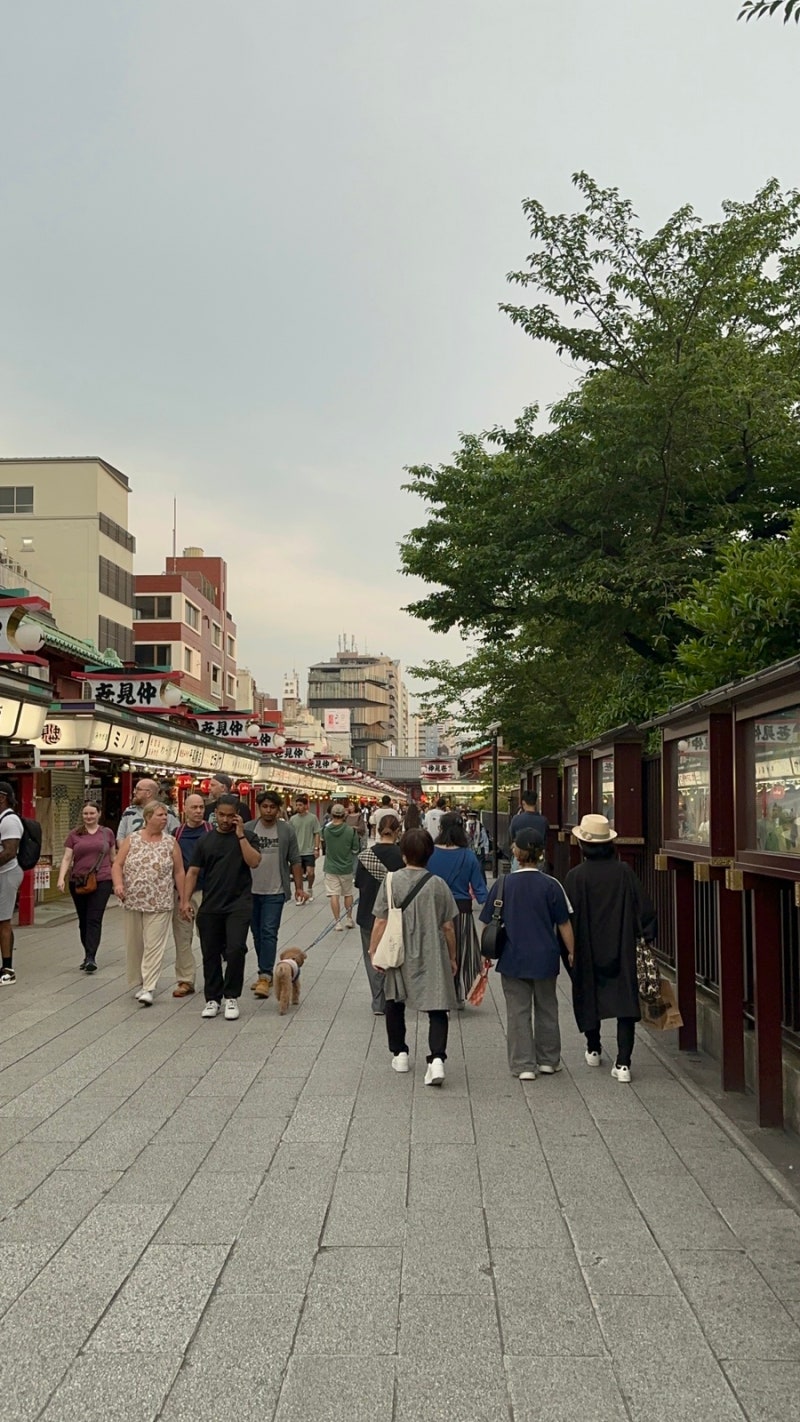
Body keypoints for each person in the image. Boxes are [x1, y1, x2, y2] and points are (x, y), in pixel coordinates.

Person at [564, 813, 657, 1084]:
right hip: (622, 944)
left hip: (587, 947)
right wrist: (646, 938)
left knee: (588, 994)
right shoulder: (624, 873)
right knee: (625, 1001)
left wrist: (569, 950)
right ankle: (624, 1062)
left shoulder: (575, 877)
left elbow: (565, 918)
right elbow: (645, 909)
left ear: (583, 846)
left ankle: (593, 1048)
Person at [480, 830, 574, 1079]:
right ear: (540, 854)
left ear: (516, 853)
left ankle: (523, 1065)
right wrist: (573, 952)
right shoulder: (552, 885)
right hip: (545, 956)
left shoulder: (503, 884)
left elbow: (488, 922)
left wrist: (484, 953)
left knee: (518, 1011)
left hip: (513, 957)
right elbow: (564, 923)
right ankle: (548, 1060)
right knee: (547, 1008)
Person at [370, 828, 458, 1085]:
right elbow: (448, 926)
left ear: (403, 853)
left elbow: (380, 921)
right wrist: (452, 957)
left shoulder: (391, 881)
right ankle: (437, 1059)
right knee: (438, 1004)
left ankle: (400, 1054)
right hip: (431, 951)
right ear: (429, 854)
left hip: (399, 951)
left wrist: (374, 950)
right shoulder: (438, 884)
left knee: (394, 999)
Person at [182, 794, 261, 1020]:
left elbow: (254, 862)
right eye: (221, 815)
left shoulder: (249, 837)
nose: (225, 820)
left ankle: (231, 995)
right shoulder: (205, 840)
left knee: (236, 949)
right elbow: (193, 871)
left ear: (238, 815)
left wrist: (240, 836)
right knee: (210, 953)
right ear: (215, 814)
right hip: (210, 905)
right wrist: (185, 900)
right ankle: (213, 999)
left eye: (230, 816)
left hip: (239, 904)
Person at [112, 801, 188, 1007]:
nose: (164, 819)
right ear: (147, 817)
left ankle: (149, 987)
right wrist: (118, 884)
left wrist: (183, 898)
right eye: (160, 815)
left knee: (154, 945)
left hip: (160, 901)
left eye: (165, 815)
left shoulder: (171, 842)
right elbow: (117, 864)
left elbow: (179, 871)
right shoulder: (132, 839)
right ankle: (140, 980)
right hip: (133, 900)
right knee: (136, 944)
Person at [245, 790, 305, 999]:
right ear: (259, 807)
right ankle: (266, 972)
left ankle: (264, 975)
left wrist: (299, 887)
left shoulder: (286, 830)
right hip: (250, 890)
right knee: (257, 933)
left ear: (278, 808)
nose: (268, 811)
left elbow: (295, 859)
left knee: (269, 931)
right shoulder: (248, 828)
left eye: (272, 807)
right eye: (265, 807)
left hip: (275, 890)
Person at [428, 812, 488, 1006]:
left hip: (433, 909)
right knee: (460, 952)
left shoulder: (429, 853)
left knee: (435, 952)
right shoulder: (468, 856)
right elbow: (479, 889)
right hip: (461, 911)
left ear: (440, 829)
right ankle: (456, 991)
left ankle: (436, 992)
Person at [57, 803, 117, 972]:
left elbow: (113, 858)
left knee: (94, 918)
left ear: (99, 814)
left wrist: (119, 880)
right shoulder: (74, 834)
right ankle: (87, 953)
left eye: (92, 813)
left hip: (103, 880)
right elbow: (67, 858)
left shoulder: (107, 833)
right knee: (83, 919)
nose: (89, 816)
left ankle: (91, 957)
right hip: (78, 880)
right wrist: (61, 878)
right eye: (85, 814)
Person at [354, 814, 404, 1015]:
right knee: (395, 954)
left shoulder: (366, 855)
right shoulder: (403, 856)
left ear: (377, 829)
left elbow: (358, 883)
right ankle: (394, 996)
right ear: (398, 831)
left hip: (368, 912)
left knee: (372, 956)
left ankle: (378, 1002)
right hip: (395, 915)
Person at [170, 793, 211, 997]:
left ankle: (213, 978)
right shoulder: (176, 833)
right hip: (182, 892)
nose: (198, 811)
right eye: (193, 807)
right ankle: (186, 980)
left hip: (207, 892)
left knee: (209, 937)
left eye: (201, 807)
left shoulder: (212, 831)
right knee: (182, 937)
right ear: (184, 809)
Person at [322, 803, 361, 930]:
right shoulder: (351, 831)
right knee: (348, 894)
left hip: (330, 867)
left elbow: (325, 843)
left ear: (331, 815)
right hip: (346, 867)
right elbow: (355, 849)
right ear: (344, 815)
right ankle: (349, 919)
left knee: (334, 894)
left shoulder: (326, 830)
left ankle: (337, 922)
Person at [0, 782, 24, 985]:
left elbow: (9, 852)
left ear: (2, 797)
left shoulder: (10, 820)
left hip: (6, 874)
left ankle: (8, 969)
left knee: (3, 921)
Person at [117, 778, 179, 843]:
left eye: (138, 789)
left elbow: (176, 838)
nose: (134, 792)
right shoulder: (128, 812)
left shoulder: (167, 812)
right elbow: (120, 837)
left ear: (148, 793)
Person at [289, 794, 322, 898]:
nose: (298, 807)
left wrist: (316, 848)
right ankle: (300, 892)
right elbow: (290, 835)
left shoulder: (312, 818)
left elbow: (316, 833)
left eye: (300, 805)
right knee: (298, 874)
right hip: (296, 851)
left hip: (309, 850)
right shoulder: (293, 819)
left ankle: (310, 888)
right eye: (297, 805)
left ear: (306, 806)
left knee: (310, 872)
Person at [508, 791, 549, 873]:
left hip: (519, 856)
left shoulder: (516, 819)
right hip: (537, 857)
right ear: (536, 802)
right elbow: (545, 839)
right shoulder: (543, 821)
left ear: (523, 803)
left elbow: (512, 836)